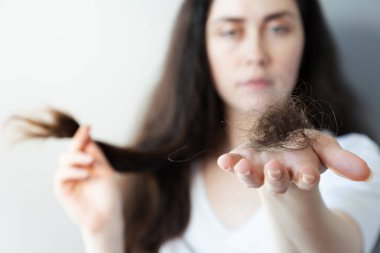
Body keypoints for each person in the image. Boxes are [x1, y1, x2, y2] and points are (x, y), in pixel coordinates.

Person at [14, 0, 380, 252]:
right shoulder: (161, 180)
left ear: (305, 41)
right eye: (230, 32)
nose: (256, 53)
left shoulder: (353, 161)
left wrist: (294, 188)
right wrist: (103, 233)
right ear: (200, 48)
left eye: (279, 27)